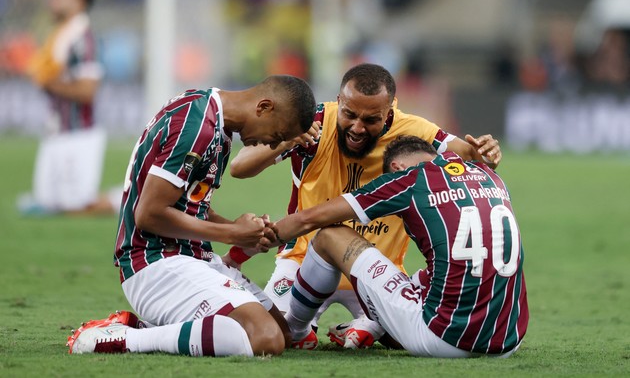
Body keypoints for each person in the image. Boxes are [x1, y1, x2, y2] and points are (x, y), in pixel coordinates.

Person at [224, 63, 502, 348]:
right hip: (302, 260)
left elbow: (473, 158)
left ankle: (362, 325)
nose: (357, 128)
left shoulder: (416, 131)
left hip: (375, 268)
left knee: (407, 339)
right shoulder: (313, 122)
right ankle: (327, 326)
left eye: (370, 119)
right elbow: (239, 167)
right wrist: (288, 141)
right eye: (349, 114)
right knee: (274, 336)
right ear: (339, 101)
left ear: (389, 111)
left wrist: (487, 152)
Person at [66, 75, 317, 357]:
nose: (272, 145)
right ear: (264, 107)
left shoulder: (213, 120)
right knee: (264, 339)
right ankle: (127, 340)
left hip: (193, 258)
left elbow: (191, 206)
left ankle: (142, 327)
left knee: (282, 332)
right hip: (154, 261)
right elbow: (148, 214)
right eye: (278, 135)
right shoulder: (197, 124)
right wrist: (232, 233)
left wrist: (244, 231)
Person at [274, 135, 528, 357]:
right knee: (434, 275)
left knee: (330, 236)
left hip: (445, 339)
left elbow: (311, 218)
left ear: (397, 168)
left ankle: (296, 330)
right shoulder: (489, 175)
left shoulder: (411, 179)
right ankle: (370, 325)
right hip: (507, 341)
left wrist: (263, 237)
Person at [20, 0, 116, 215]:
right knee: (47, 204)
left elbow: (87, 91)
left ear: (79, 0)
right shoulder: (60, 36)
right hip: (57, 132)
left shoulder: (83, 38)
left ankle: (128, 200)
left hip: (78, 134)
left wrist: (47, 82)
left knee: (77, 206)